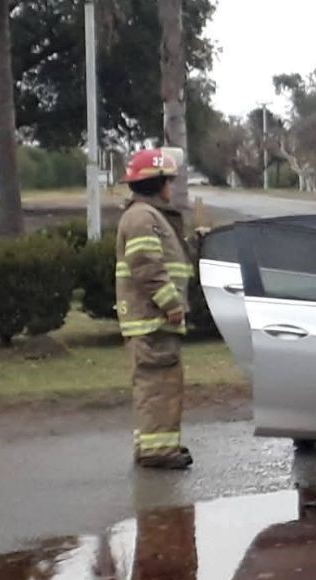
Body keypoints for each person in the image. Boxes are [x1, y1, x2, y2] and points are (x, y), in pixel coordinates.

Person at [116, 148, 194, 469]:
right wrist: (171, 304)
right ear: (157, 183)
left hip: (150, 320)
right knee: (158, 387)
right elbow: (146, 265)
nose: (171, 188)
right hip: (152, 320)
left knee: (158, 385)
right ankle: (157, 451)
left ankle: (155, 445)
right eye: (168, 182)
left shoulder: (147, 216)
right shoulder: (142, 218)